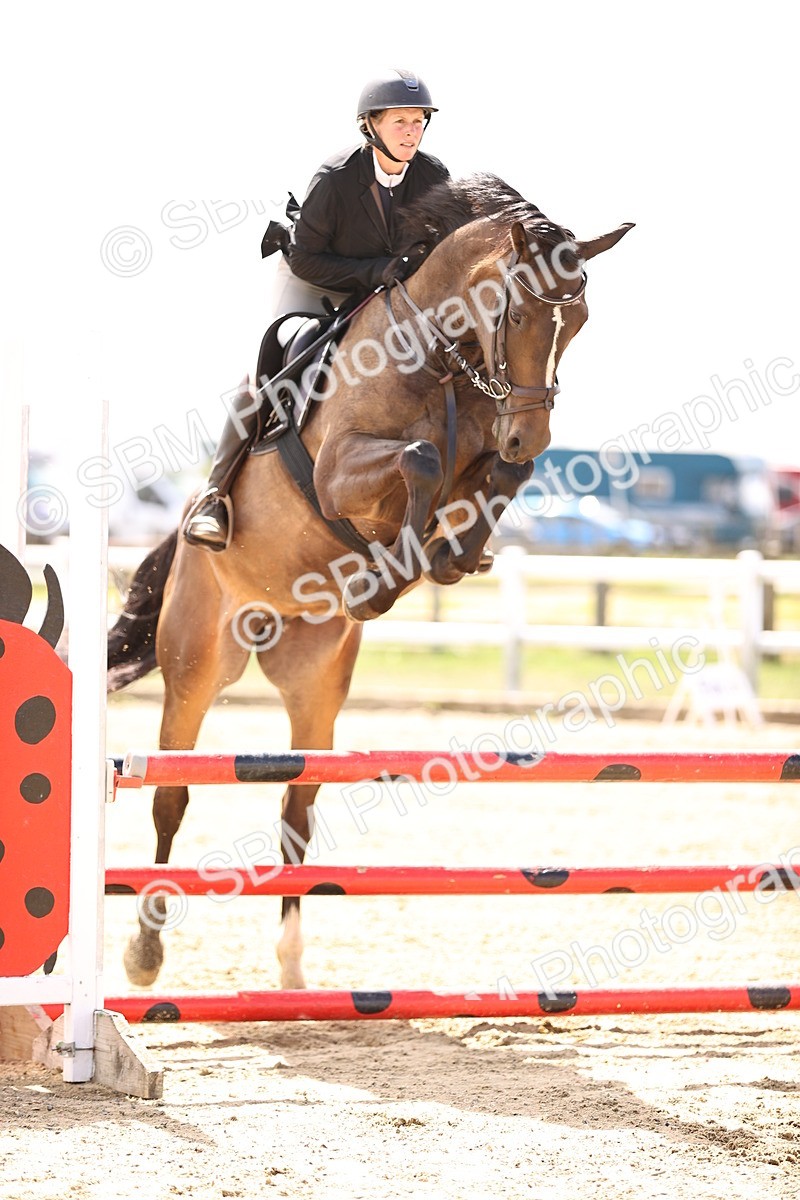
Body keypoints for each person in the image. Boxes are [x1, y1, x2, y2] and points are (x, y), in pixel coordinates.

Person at [183, 68, 450, 552]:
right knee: (269, 368)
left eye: (418, 121)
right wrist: (377, 270)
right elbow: (306, 257)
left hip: (384, 288)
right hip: (313, 280)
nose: (412, 132)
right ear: (371, 126)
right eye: (400, 121)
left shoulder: (433, 176)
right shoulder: (336, 178)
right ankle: (214, 496)